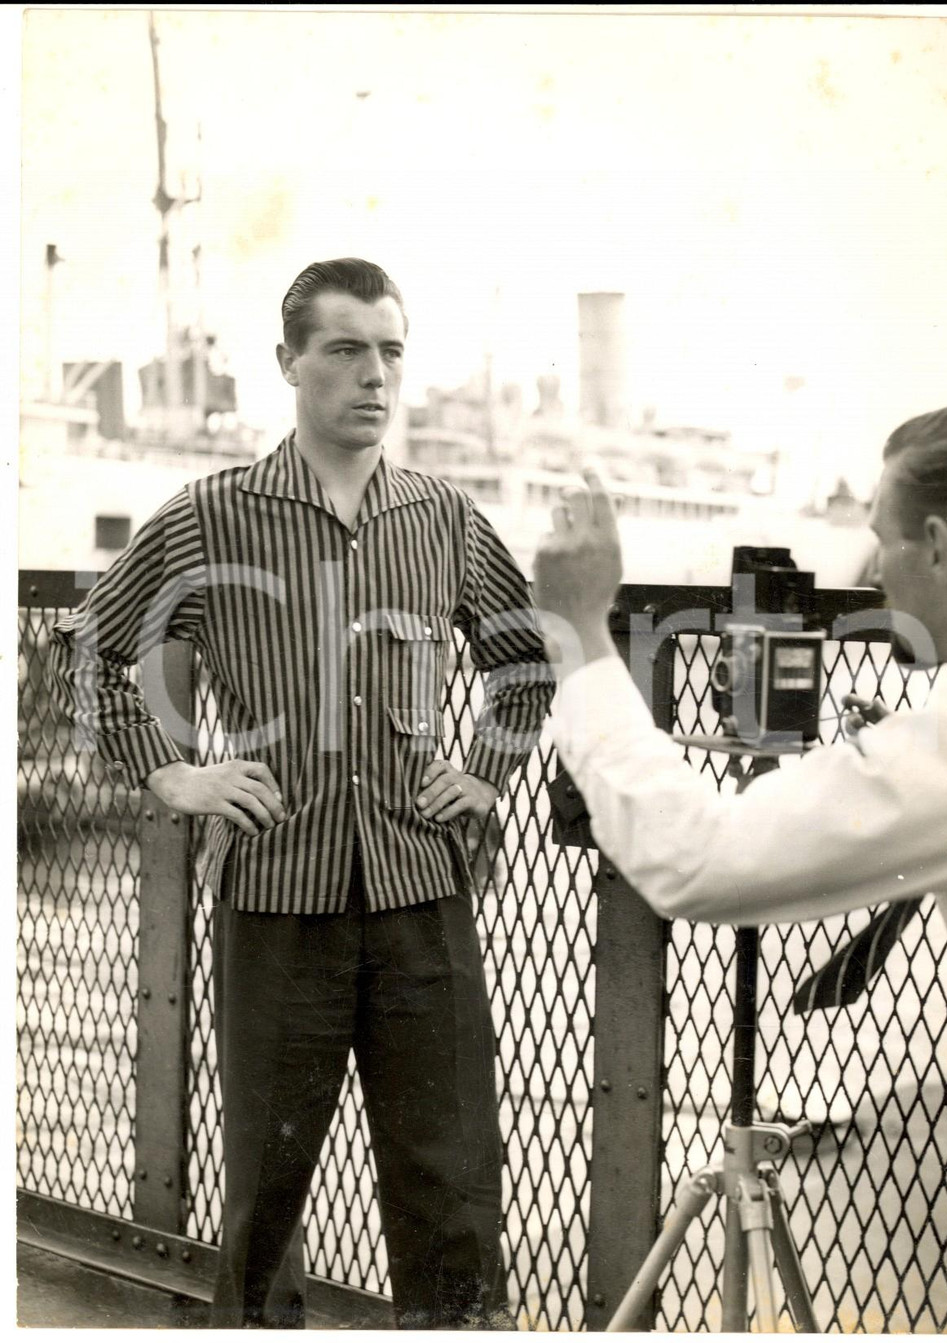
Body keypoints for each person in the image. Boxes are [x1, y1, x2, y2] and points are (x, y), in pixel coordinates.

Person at [49, 257, 553, 1329]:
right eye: (345, 349)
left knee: (450, 1180)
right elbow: (91, 645)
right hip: (279, 894)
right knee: (268, 1190)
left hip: (422, 891)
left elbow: (523, 657)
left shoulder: (444, 517)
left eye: (391, 351)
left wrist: (488, 765)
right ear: (288, 363)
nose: (375, 376)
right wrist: (172, 770)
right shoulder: (206, 518)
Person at [532, 396, 947, 1000]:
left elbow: (695, 858)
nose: (873, 573)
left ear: (936, 547)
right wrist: (906, 752)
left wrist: (579, 630)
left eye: (882, 540)